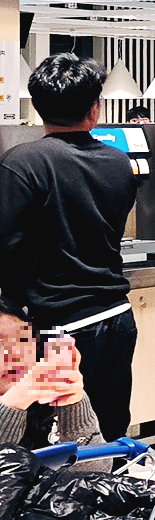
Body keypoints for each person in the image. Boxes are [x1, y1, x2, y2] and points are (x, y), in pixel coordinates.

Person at [0, 54, 140, 438]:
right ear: (95, 109)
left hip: (56, 322)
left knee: (46, 438)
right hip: (116, 315)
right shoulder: (119, 163)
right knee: (105, 429)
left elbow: (6, 247)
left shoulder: (22, 163)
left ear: (37, 107)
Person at [0, 295, 104, 451]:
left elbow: (100, 464)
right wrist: (13, 404)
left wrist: (74, 406)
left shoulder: (49, 398)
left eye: (23, 341)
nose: (16, 355)